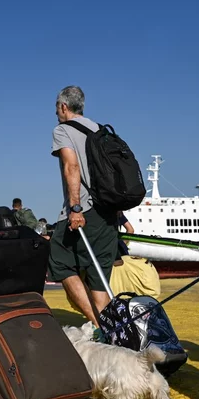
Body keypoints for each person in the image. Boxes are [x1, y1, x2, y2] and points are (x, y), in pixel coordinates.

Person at [47, 85, 118, 329]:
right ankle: (110, 331)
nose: (56, 112)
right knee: (99, 280)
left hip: (85, 210)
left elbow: (72, 166)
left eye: (57, 107)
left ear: (64, 106)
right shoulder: (100, 130)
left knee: (58, 259)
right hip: (109, 214)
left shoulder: (63, 130)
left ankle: (97, 324)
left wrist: (75, 208)